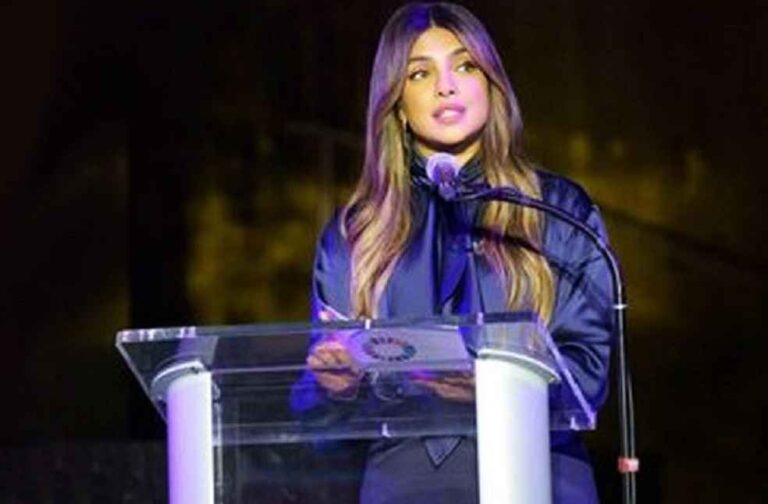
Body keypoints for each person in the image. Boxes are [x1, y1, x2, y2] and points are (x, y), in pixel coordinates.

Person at [303, 3, 614, 503]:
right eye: (420, 73)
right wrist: (334, 387)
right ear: (397, 103)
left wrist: (496, 387)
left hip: (540, 472)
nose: (446, 85)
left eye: (464, 65)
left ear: (491, 83)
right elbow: (316, 417)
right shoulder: (354, 234)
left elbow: (589, 373)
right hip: (404, 484)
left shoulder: (558, 211)